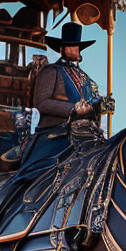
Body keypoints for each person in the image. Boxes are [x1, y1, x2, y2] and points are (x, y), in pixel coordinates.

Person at [15, 21, 114, 176]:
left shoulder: (85, 78)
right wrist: (72, 109)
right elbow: (42, 103)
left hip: (85, 135)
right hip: (56, 134)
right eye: (70, 47)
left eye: (77, 47)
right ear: (61, 49)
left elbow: (90, 105)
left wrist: (101, 106)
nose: (75, 50)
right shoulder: (51, 71)